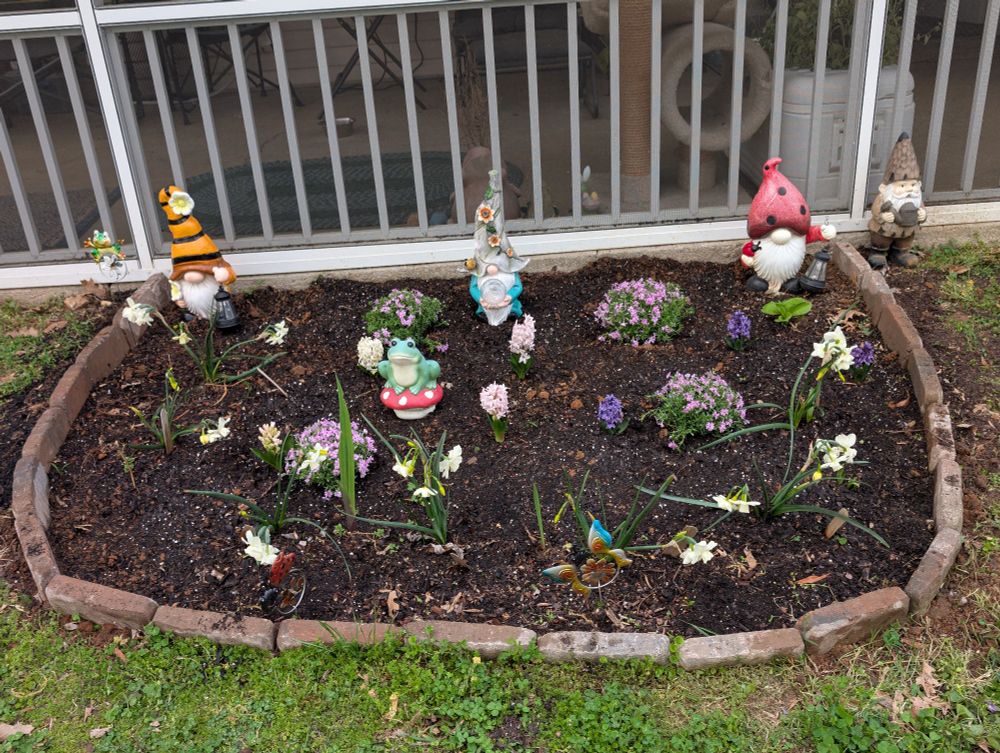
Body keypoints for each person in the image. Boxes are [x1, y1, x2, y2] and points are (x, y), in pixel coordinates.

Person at [741, 158, 836, 294]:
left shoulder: (798, 236)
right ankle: (765, 284)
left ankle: (786, 284)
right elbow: (749, 250)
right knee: (756, 285)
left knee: (792, 287)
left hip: (788, 277)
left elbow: (810, 235)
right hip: (763, 276)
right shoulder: (761, 238)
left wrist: (822, 232)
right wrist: (747, 258)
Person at [158, 186, 236, 320]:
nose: (191, 274)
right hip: (195, 313)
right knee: (188, 317)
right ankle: (197, 318)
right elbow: (176, 287)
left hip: (220, 309)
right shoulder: (180, 278)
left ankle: (218, 316)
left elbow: (230, 275)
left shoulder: (214, 265)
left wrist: (225, 275)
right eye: (185, 270)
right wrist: (179, 300)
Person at [867, 133, 927, 269]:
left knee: (906, 239)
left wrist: (923, 214)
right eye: (902, 186)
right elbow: (876, 209)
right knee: (881, 238)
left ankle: (901, 253)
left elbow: (921, 208)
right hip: (886, 229)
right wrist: (882, 216)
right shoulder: (884, 198)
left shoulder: (916, 199)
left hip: (907, 229)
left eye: (913, 185)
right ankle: (878, 253)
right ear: (886, 188)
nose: (909, 190)